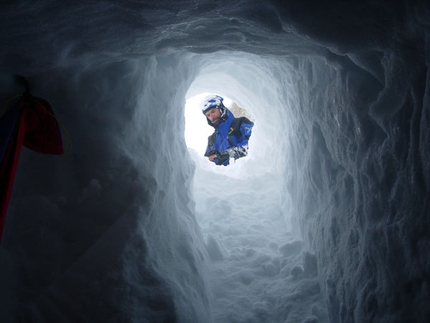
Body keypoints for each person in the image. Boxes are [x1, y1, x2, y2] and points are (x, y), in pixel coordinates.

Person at [202, 94, 254, 166]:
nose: (211, 117)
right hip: (223, 177)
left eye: (213, 111)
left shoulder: (241, 123)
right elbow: (206, 166)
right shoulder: (212, 140)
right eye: (208, 115)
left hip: (247, 173)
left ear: (221, 109)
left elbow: (254, 145)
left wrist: (228, 154)